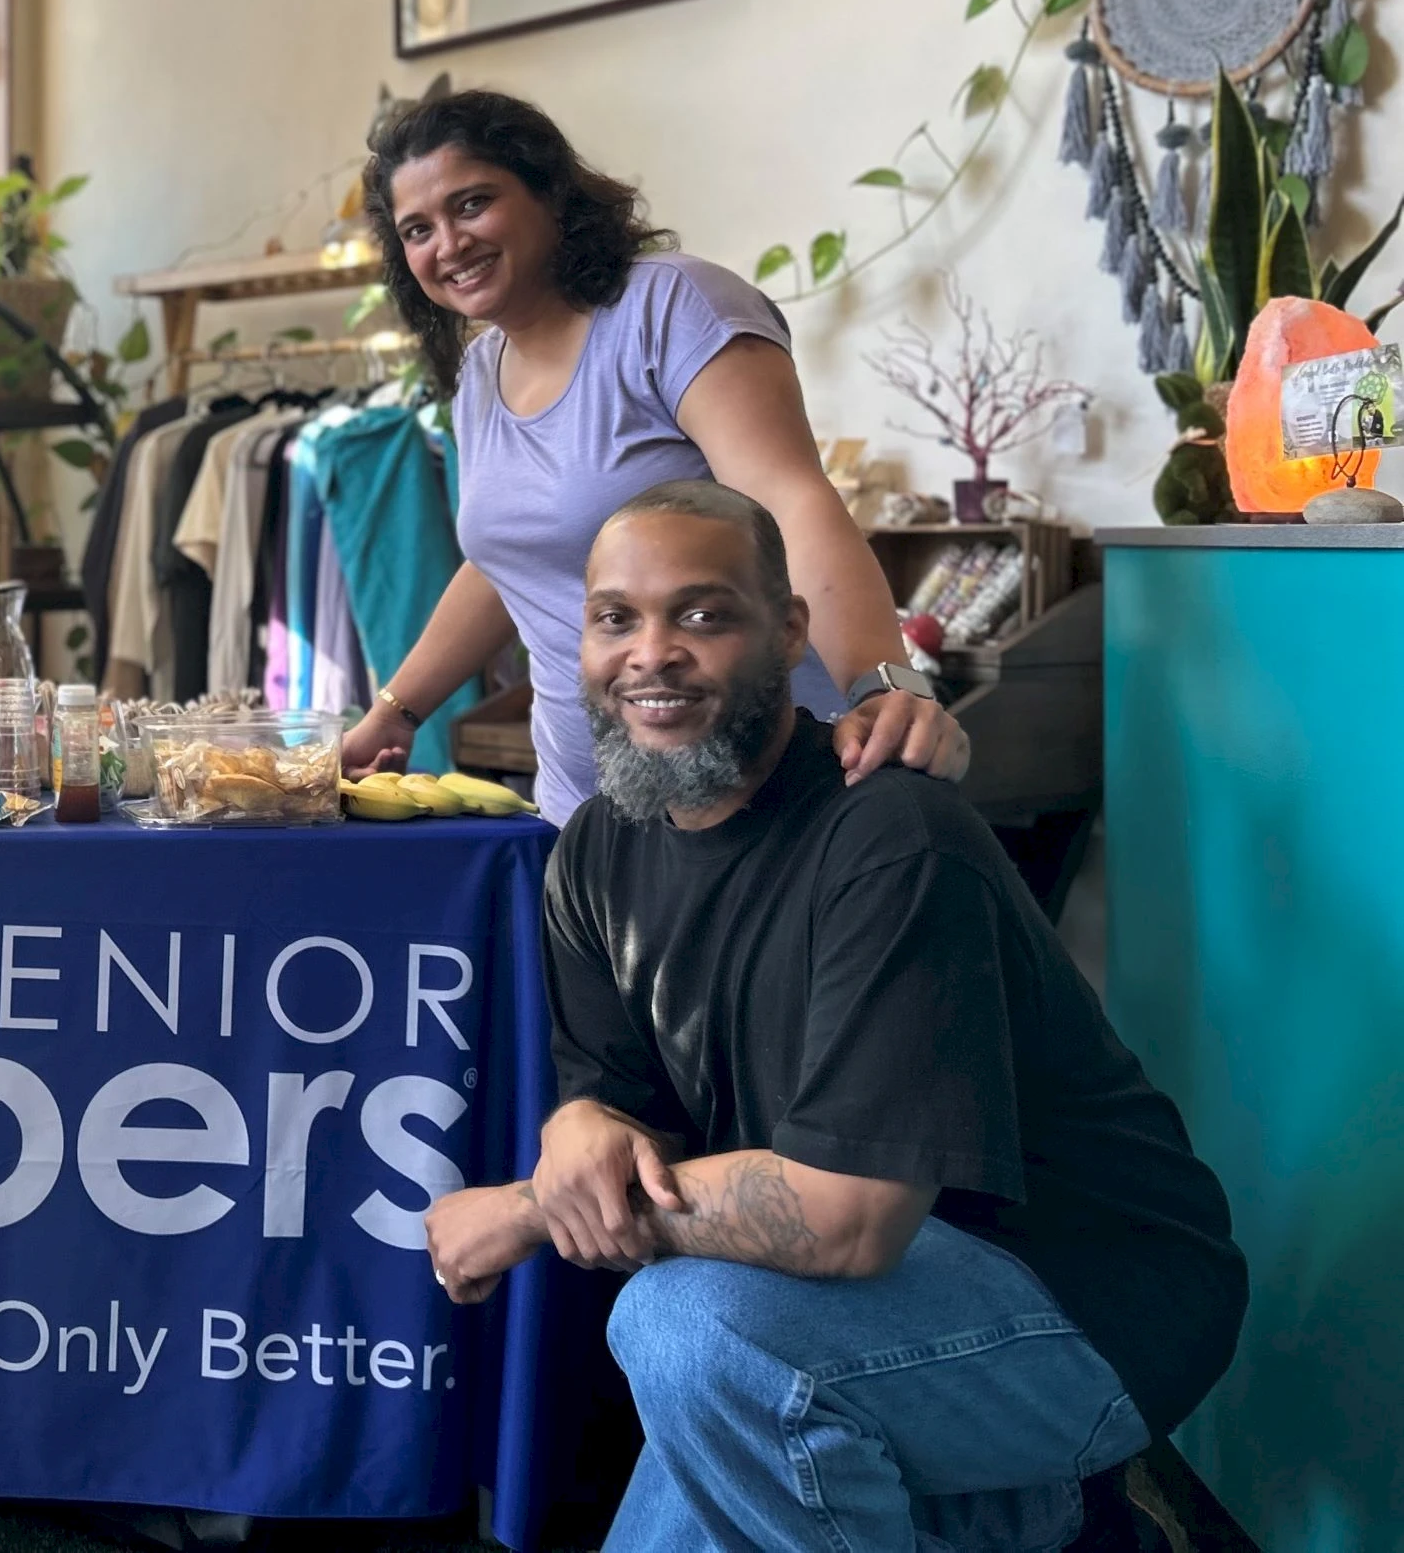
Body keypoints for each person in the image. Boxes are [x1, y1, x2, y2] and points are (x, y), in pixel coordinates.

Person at [422, 481, 1246, 1551]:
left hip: (1095, 1307)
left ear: (787, 630)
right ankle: (1009, 1510)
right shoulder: (594, 849)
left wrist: (536, 1205)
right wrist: (575, 1131)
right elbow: (611, 1105)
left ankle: (1030, 1488)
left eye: (702, 614)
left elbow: (844, 1217)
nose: (650, 652)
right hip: (840, 1312)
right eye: (614, 616)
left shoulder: (891, 835)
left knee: (684, 1324)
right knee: (712, 1359)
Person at [339, 86, 967, 824]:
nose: (448, 244)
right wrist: (398, 711)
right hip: (590, 807)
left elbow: (790, 500)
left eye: (473, 203)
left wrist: (883, 685)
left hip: (765, 788)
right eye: (417, 230)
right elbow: (502, 560)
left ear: (549, 193)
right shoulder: (480, 375)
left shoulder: (672, 308)